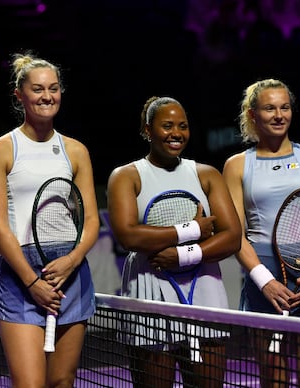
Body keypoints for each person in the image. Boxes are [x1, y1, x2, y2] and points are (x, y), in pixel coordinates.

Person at [0, 52, 99, 387]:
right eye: (37, 89)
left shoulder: (76, 150)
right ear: (20, 95)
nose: (47, 96)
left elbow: (90, 223)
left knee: (62, 382)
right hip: (21, 275)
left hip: (69, 272)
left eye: (54, 88)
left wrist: (71, 261)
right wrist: (32, 282)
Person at [106, 96, 242, 388]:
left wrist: (182, 256)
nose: (176, 133)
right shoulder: (126, 176)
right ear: (147, 130)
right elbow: (129, 235)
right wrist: (192, 229)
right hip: (148, 290)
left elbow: (232, 238)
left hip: (205, 290)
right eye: (167, 126)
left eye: (183, 126)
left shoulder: (206, 174)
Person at [222, 78, 300, 387]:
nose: (279, 115)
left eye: (285, 107)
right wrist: (264, 282)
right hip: (265, 278)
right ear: (253, 115)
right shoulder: (236, 166)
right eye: (269, 108)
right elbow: (235, 233)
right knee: (272, 382)